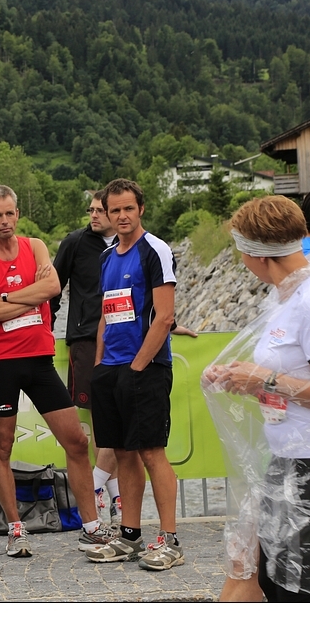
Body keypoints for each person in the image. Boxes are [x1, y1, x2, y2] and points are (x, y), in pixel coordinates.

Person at [203, 196, 310, 602]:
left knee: (294, 585)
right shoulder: (286, 295)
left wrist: (264, 378)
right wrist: (243, 378)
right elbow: (293, 373)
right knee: (271, 576)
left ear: (256, 254)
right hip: (291, 455)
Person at [0, 185, 106, 558]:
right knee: (2, 447)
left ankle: (92, 528)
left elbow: (53, 286)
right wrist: (31, 293)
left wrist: (6, 298)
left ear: (17, 214)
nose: (5, 221)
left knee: (76, 441)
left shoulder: (36, 247)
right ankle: (16, 529)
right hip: (2, 363)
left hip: (39, 359)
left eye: (9, 213)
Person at [83, 178, 183, 571]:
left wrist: (137, 366)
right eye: (115, 210)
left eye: (129, 208)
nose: (122, 215)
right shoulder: (107, 256)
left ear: (141, 208)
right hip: (110, 369)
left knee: (152, 452)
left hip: (146, 367)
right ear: (106, 213)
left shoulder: (155, 250)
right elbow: (106, 314)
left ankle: (170, 541)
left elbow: (165, 316)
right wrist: (100, 365)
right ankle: (129, 536)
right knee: (123, 454)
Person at [50, 191, 123, 529]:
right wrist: (45, 329)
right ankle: (107, 496)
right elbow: (53, 290)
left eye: (99, 210)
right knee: (102, 422)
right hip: (86, 340)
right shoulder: (75, 242)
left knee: (117, 421)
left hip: (124, 339)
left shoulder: (130, 243)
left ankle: (107, 493)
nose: (93, 215)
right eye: (90, 210)